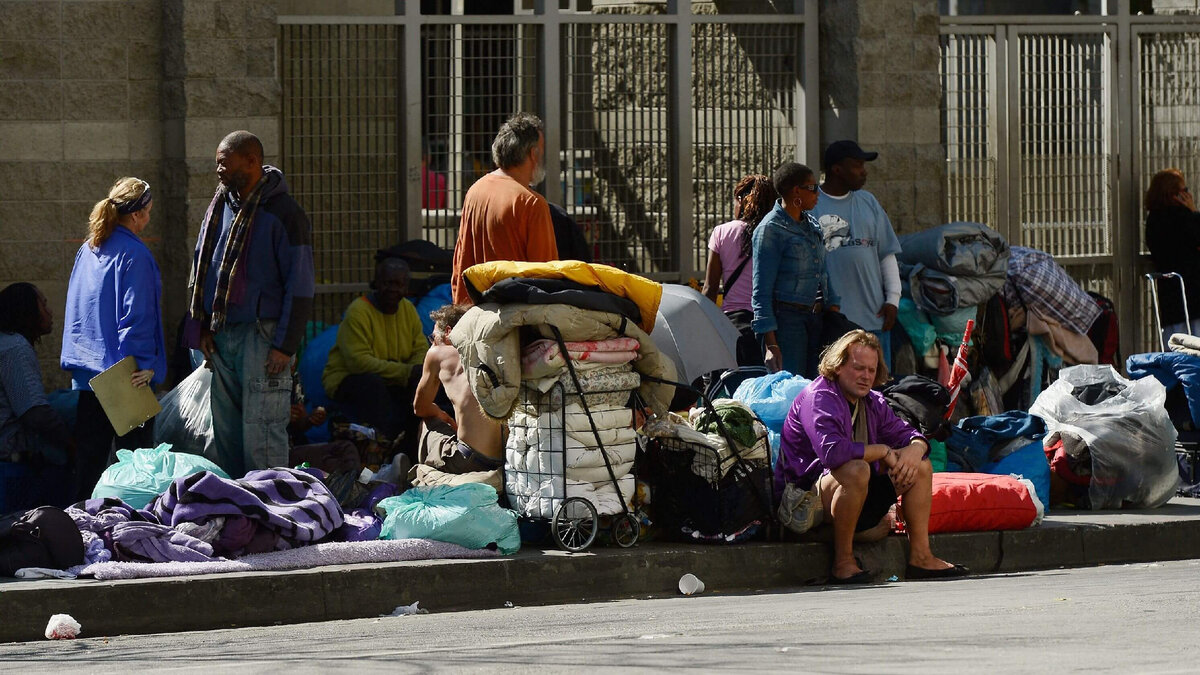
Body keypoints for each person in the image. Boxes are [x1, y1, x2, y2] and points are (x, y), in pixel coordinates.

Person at [776, 330, 968, 583]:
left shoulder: (873, 401)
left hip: (853, 493)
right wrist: (883, 451)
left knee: (920, 466)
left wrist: (916, 447)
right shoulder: (819, 396)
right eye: (858, 368)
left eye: (871, 370)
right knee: (857, 469)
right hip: (804, 499)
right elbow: (833, 453)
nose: (866, 376)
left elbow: (907, 433)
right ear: (838, 366)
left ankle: (921, 557)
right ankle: (843, 562)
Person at [187, 130, 315, 478]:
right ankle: (233, 505)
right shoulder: (220, 208)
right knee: (225, 430)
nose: (219, 170)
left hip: (264, 337)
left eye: (225, 163)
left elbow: (300, 286)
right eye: (217, 164)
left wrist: (284, 348)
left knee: (262, 430)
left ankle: (269, 507)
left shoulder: (285, 214)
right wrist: (200, 328)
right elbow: (202, 265)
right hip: (223, 335)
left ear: (252, 162)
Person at [61, 177, 165, 501]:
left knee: (89, 468)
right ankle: (133, 540)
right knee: (136, 471)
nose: (149, 217)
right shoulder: (135, 254)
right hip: (125, 376)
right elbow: (137, 315)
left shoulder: (89, 248)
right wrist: (145, 364)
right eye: (148, 211)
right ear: (137, 215)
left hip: (88, 375)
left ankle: (77, 536)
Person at [810, 140, 903, 370]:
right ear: (837, 169)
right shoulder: (813, 206)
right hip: (832, 325)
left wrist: (893, 299)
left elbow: (886, 254)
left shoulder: (868, 202)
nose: (864, 171)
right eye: (857, 165)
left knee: (877, 391)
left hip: (873, 320)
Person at [450, 112, 557, 305]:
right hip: (514, 321)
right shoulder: (531, 203)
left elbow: (460, 263)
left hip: (475, 315)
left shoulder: (476, 190)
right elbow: (546, 278)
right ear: (533, 154)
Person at [322, 258, 430, 448]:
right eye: (388, 283)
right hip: (350, 378)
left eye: (399, 284)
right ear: (376, 283)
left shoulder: (408, 310)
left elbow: (420, 349)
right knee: (373, 386)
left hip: (392, 377)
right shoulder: (358, 311)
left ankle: (410, 450)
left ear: (407, 287)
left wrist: (414, 371)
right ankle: (379, 449)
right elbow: (358, 362)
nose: (393, 289)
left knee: (421, 384)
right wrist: (405, 371)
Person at [750, 163, 839, 378]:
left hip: (818, 320)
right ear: (796, 191)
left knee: (820, 387)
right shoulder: (770, 230)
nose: (818, 193)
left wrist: (833, 308)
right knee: (792, 389)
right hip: (788, 323)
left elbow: (823, 272)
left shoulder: (811, 224)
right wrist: (771, 345)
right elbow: (761, 291)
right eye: (812, 187)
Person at [411, 305, 504, 487]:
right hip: (503, 459)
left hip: (467, 460)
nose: (432, 343)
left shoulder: (439, 352)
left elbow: (419, 407)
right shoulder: (495, 353)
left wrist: (442, 415)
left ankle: (426, 475)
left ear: (448, 332)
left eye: (433, 338)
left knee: (427, 422)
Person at [0, 283, 74, 509]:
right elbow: (34, 413)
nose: (49, 311)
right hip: (11, 468)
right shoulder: (15, 347)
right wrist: (73, 446)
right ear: (26, 310)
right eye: (43, 304)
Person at [705, 174, 777, 368]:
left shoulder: (722, 232)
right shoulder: (775, 233)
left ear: (740, 200)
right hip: (771, 325)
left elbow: (710, 288)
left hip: (732, 324)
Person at [1144, 168, 1200, 345]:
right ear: (1174, 194)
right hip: (1194, 293)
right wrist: (1194, 211)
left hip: (1170, 294)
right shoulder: (1184, 217)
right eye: (1184, 190)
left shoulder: (1153, 220)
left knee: (1176, 348)